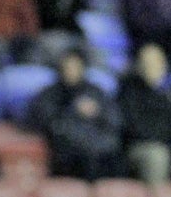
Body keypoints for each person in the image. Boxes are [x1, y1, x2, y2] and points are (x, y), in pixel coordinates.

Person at [24, 47, 123, 181]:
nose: (71, 70)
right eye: (67, 67)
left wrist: (97, 113)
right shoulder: (50, 94)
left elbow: (114, 120)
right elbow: (48, 123)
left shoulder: (96, 92)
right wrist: (73, 110)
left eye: (75, 66)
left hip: (100, 151)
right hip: (68, 156)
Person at [117, 42, 171, 185]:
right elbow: (133, 128)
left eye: (156, 62)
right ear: (138, 66)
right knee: (157, 155)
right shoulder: (129, 92)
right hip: (141, 148)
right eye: (146, 63)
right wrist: (166, 142)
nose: (151, 67)